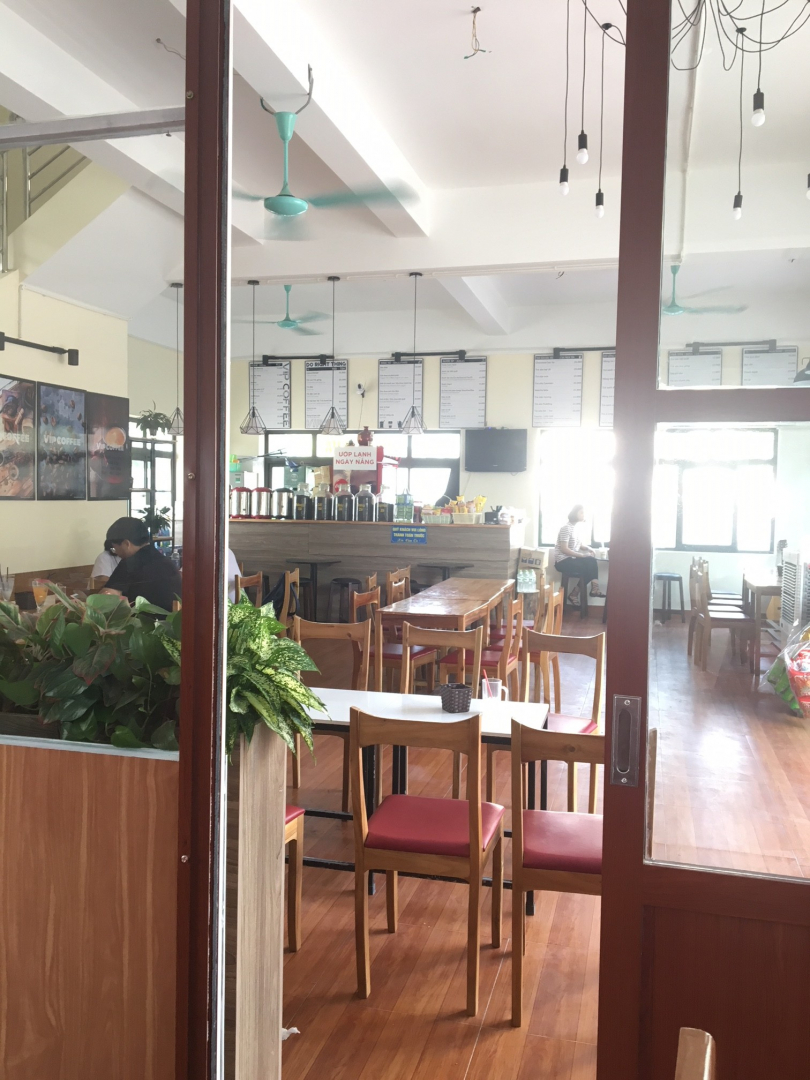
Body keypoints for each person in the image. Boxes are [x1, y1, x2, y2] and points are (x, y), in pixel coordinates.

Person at [101, 516, 182, 611]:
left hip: (144, 619)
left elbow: (106, 598)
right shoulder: (165, 561)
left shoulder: (130, 563)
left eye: (114, 548)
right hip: (172, 619)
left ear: (126, 544)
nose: (117, 553)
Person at [553, 504, 605, 602]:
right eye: (581, 512)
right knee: (590, 565)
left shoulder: (576, 528)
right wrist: (582, 555)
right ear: (575, 513)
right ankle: (584, 591)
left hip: (571, 559)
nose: (583, 515)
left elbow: (579, 544)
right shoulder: (566, 528)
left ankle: (584, 592)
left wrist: (589, 548)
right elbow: (564, 549)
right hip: (562, 561)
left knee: (591, 562)